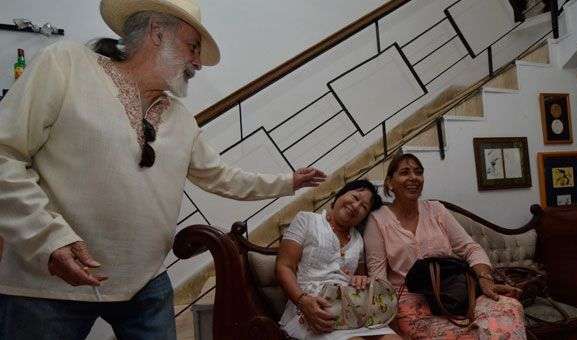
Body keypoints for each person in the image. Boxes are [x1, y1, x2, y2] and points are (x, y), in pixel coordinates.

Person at [0, 0, 326, 339]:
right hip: (46, 287)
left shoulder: (182, 119)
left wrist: (288, 182)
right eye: (193, 47)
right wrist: (48, 240)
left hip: (146, 285)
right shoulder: (65, 63)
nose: (198, 63)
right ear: (157, 33)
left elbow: (221, 177)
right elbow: (4, 154)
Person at [364, 153, 526, 339]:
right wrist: (389, 324)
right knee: (461, 336)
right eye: (404, 172)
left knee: (509, 309)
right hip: (411, 301)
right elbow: (378, 278)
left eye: (418, 172)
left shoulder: (436, 210)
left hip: (454, 293)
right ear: (390, 183)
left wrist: (484, 279)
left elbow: (471, 248)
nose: (413, 178)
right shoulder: (377, 220)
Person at [276, 179, 401, 340]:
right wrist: (303, 301)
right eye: (355, 197)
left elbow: (357, 280)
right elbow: (284, 266)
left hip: (352, 313)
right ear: (340, 195)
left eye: (364, 207)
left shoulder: (359, 241)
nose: (356, 206)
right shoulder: (306, 220)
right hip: (311, 309)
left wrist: (359, 279)